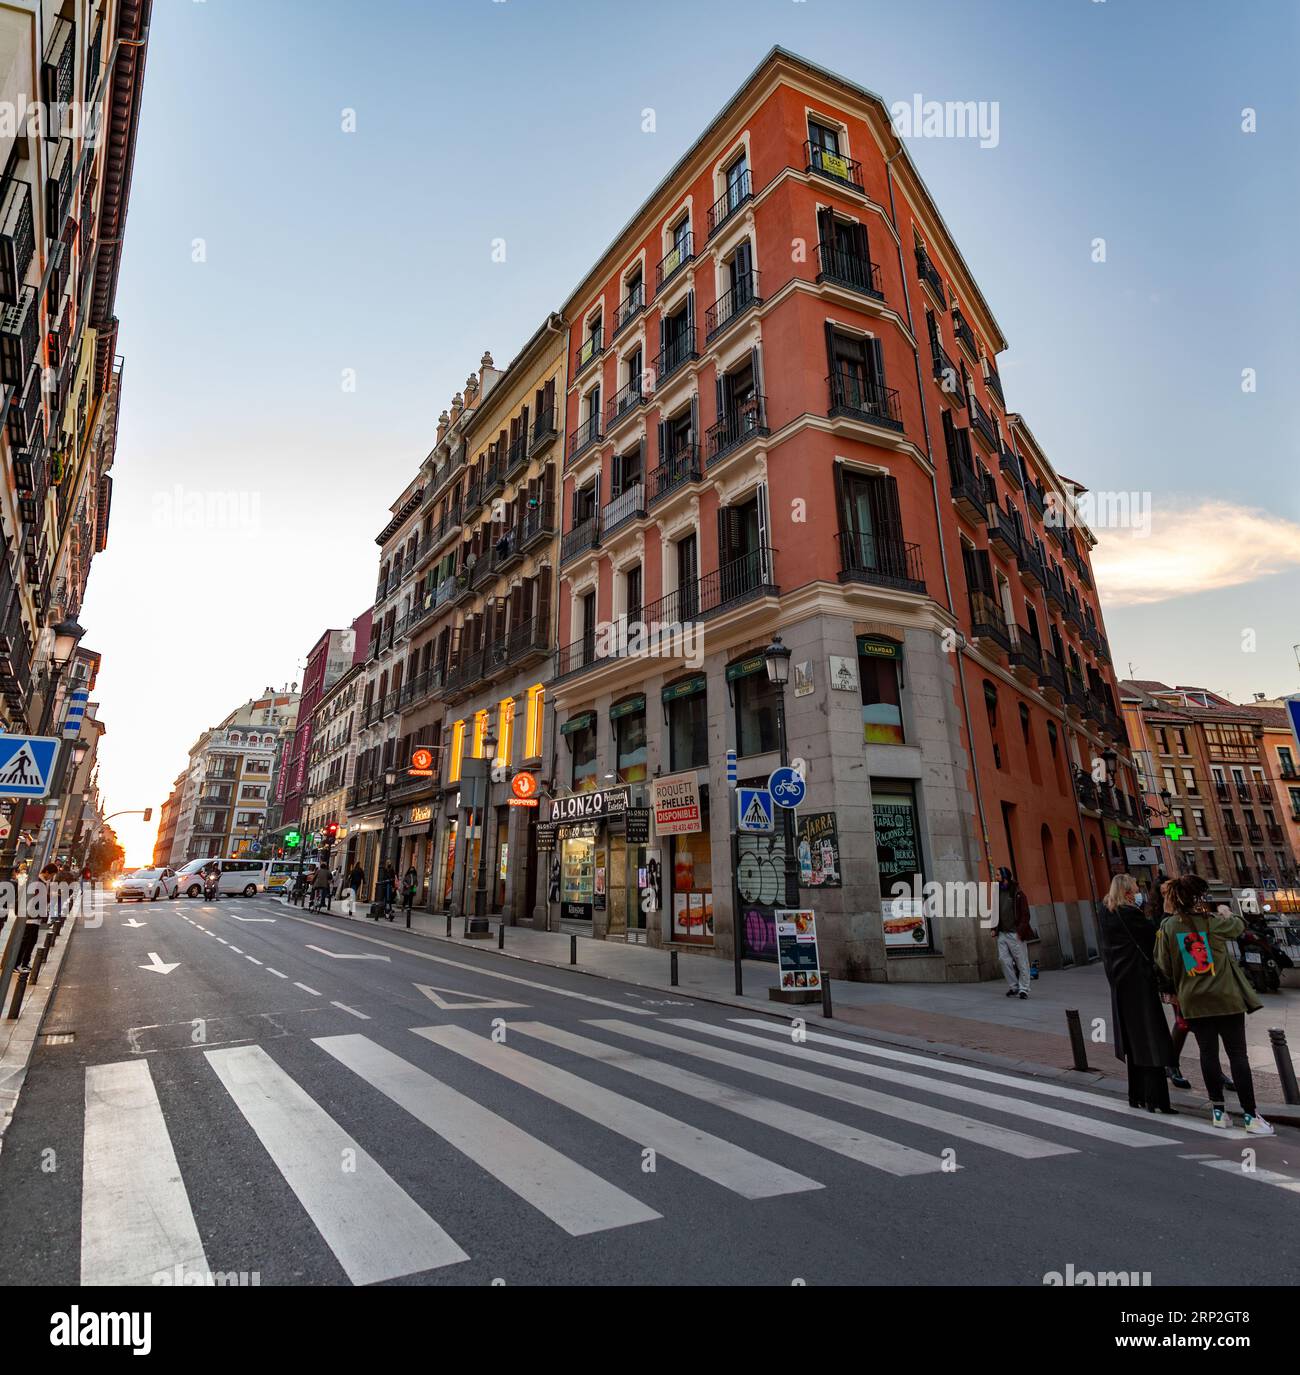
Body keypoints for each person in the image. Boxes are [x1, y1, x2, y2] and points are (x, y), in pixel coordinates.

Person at [1154, 874, 1272, 1134]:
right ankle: (1251, 1116)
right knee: (1238, 1055)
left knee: (1208, 1054)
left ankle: (1219, 1111)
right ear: (1198, 898)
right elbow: (1240, 926)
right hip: (1225, 999)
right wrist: (1227, 911)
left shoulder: (1169, 927)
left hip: (1194, 1000)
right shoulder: (1213, 923)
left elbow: (1161, 963)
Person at [1098, 874, 1176, 1113]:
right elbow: (1156, 935)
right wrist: (1167, 910)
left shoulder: (1107, 913)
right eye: (1134, 888)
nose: (1137, 891)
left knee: (1134, 1042)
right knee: (1151, 1040)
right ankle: (1156, 1100)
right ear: (1127, 892)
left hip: (1120, 985)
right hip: (1139, 983)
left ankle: (1138, 1095)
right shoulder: (1130, 914)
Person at [993, 866, 1034, 998]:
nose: (996, 877)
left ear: (1005, 877)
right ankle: (1014, 986)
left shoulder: (1018, 893)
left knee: (1021, 961)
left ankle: (1024, 989)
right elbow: (995, 911)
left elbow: (1025, 915)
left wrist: (1020, 931)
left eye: (998, 875)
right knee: (1003, 960)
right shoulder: (997, 892)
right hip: (1002, 934)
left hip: (1015, 933)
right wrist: (994, 928)